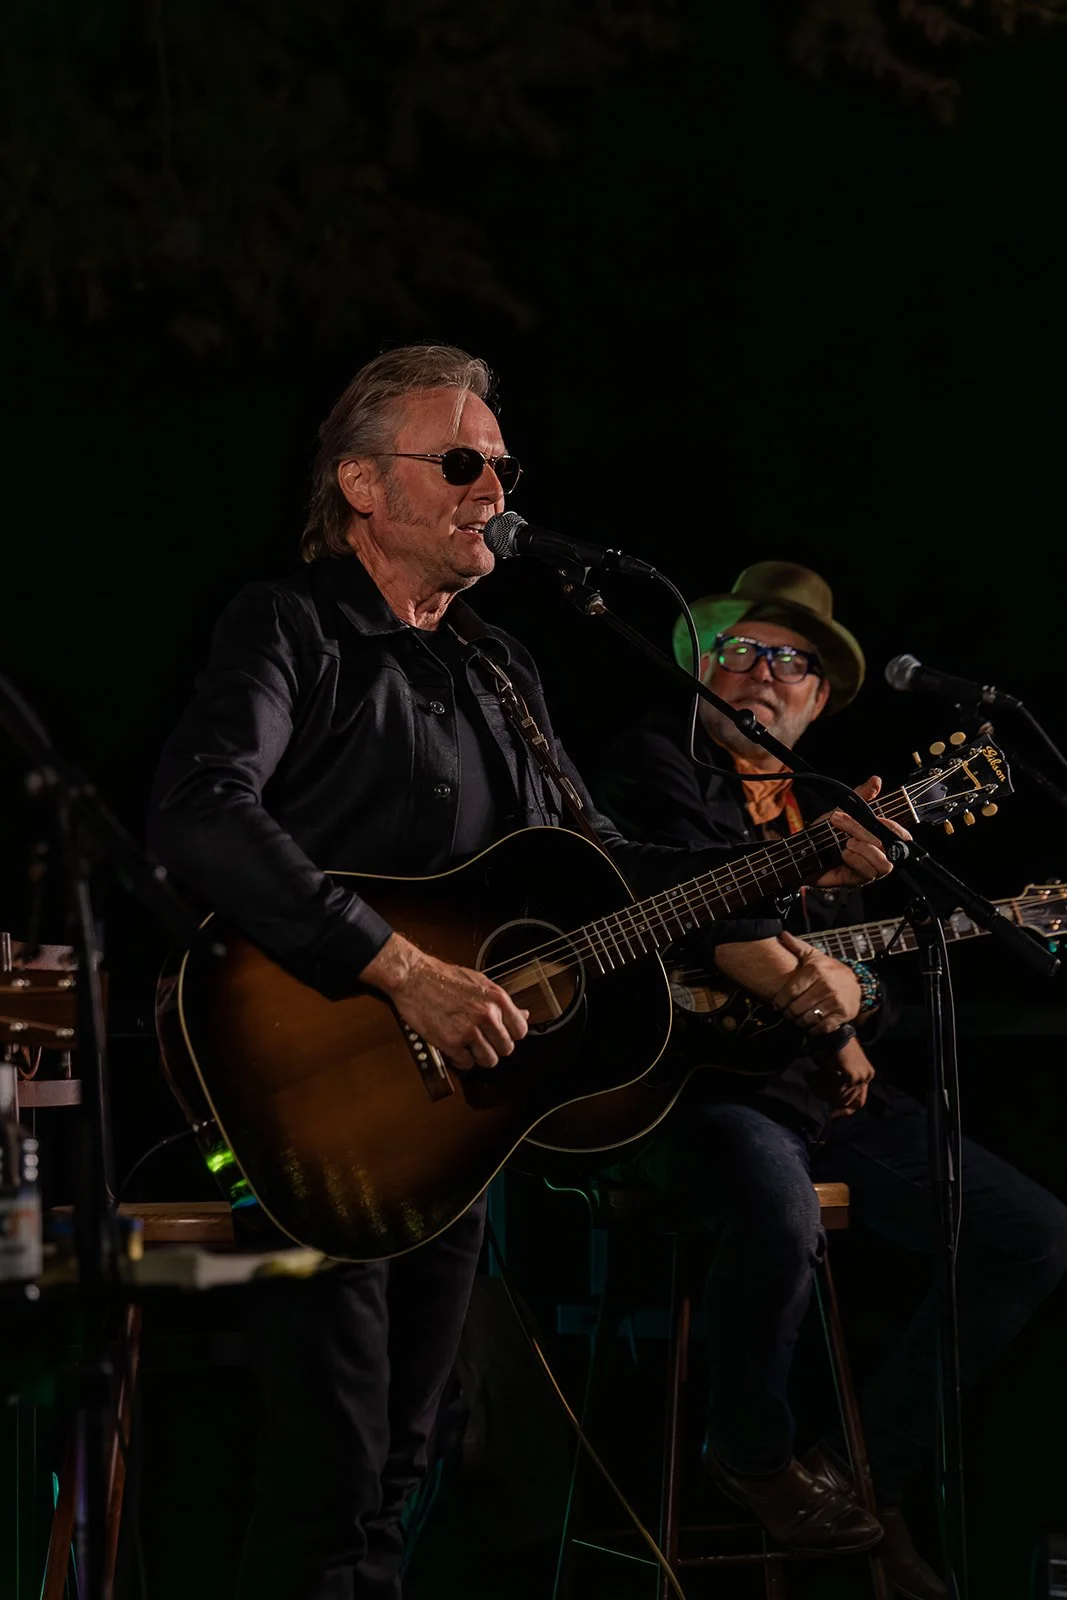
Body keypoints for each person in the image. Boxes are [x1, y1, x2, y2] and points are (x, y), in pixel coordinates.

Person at [145, 352, 896, 1600]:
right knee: (324, 1469)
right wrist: (396, 967)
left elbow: (608, 869)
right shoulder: (290, 623)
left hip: (456, 1118)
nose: (490, 484)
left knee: (410, 1453)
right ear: (361, 486)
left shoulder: (498, 666)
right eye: (457, 461)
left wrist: (805, 859)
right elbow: (200, 812)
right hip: (303, 1083)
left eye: (499, 461)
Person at [595, 561, 1067, 1598]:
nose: (765, 673)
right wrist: (814, 983)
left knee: (1027, 1232)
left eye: (794, 662)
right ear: (699, 666)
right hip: (695, 1089)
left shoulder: (820, 803)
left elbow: (860, 971)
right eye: (743, 649)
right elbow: (711, 920)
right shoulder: (653, 763)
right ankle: (753, 1449)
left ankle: (862, 1474)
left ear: (814, 700)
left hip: (813, 1087)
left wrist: (847, 996)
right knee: (775, 1207)